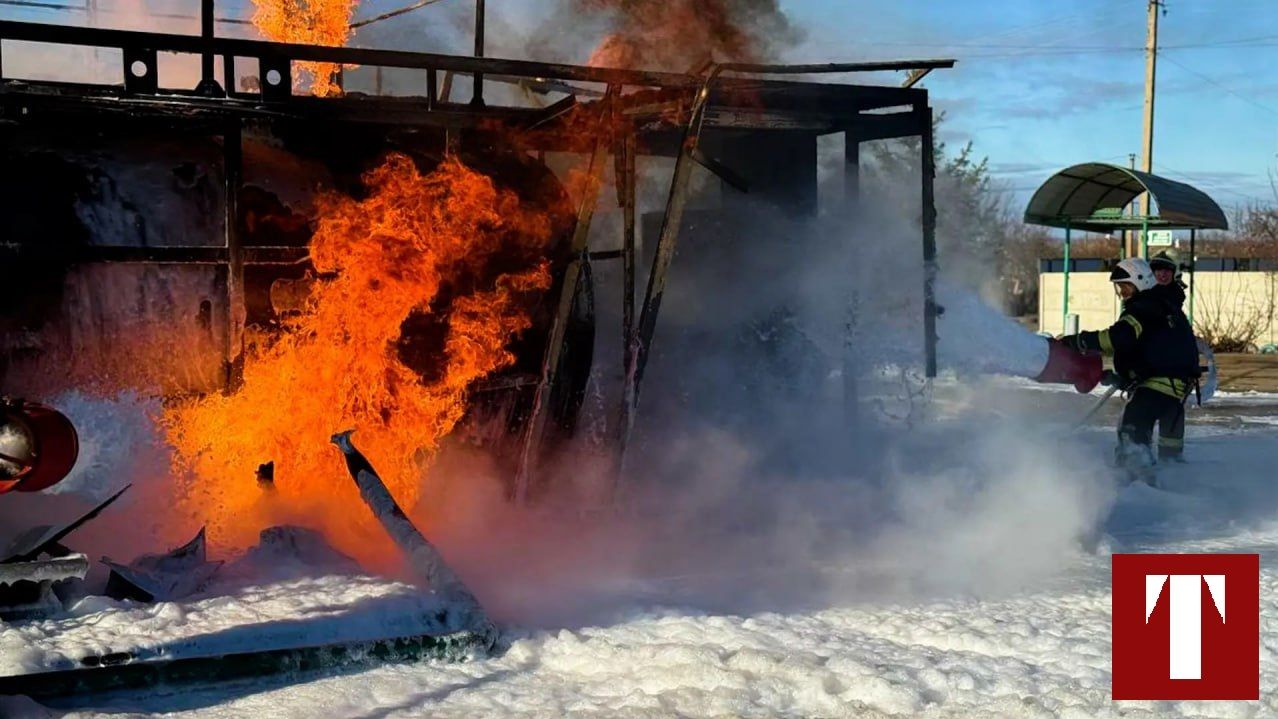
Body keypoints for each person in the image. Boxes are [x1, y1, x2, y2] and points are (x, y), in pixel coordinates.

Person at [1060, 257, 1200, 484]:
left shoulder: (1143, 308)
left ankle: (1135, 484)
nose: (1122, 292)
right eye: (1120, 287)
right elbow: (1152, 348)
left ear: (1141, 282)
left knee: (1132, 429)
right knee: (1169, 451)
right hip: (1176, 387)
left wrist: (1079, 341)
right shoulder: (1164, 305)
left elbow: (1118, 337)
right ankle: (1174, 485)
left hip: (1159, 385)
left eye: (1125, 286)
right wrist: (1123, 377)